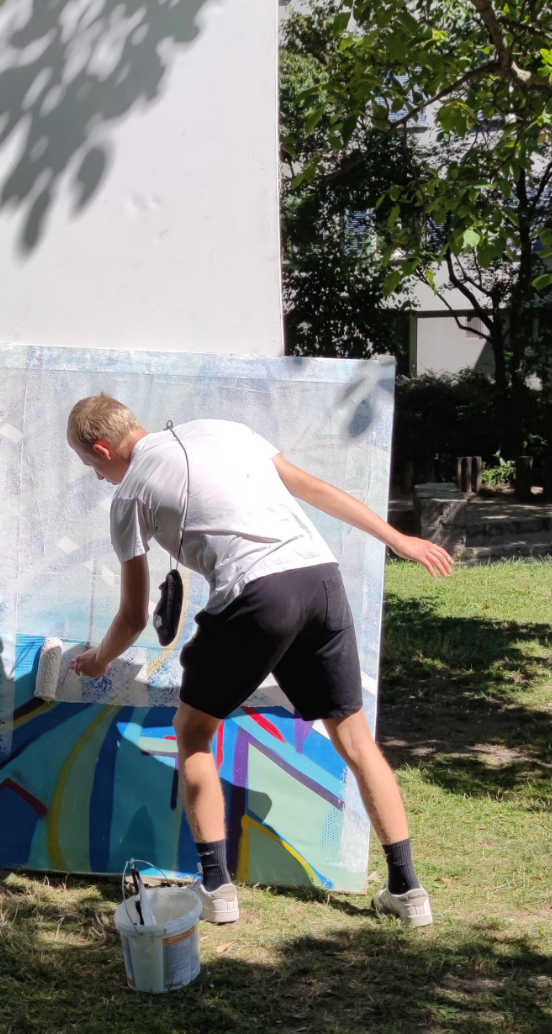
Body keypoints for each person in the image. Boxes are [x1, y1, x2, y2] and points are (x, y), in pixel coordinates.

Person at [66, 394, 453, 927]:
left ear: (104, 448)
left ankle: (216, 889)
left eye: (91, 465)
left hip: (258, 595)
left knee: (193, 731)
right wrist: (397, 539)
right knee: (355, 739)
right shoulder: (223, 429)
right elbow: (312, 488)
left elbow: (133, 617)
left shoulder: (129, 495)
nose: (98, 476)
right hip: (320, 579)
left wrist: (98, 660)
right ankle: (408, 892)